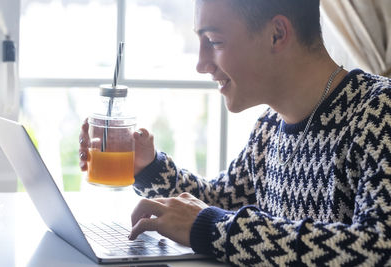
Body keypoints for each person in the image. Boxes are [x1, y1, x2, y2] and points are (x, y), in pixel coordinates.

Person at [79, 0, 391, 265]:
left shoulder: (379, 112)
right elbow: (217, 201)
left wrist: (213, 229)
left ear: (276, 34)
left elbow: (378, 248)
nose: (201, 64)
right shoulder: (269, 127)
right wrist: (148, 168)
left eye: (213, 41)